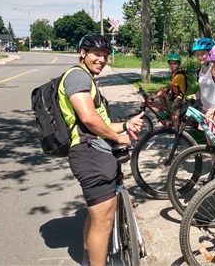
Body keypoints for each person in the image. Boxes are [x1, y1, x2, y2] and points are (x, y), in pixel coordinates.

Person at [62, 33, 145, 266]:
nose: (102, 59)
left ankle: (90, 257)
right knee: (104, 220)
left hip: (93, 150)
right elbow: (89, 119)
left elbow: (99, 123)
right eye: (97, 54)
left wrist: (125, 125)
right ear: (83, 53)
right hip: (90, 154)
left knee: (96, 213)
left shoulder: (86, 78)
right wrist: (117, 136)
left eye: (106, 56)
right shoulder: (78, 77)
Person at [191, 38, 215, 143]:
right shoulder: (201, 71)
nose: (200, 56)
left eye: (203, 53)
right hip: (206, 112)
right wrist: (192, 97)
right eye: (197, 54)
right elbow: (202, 91)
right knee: (211, 148)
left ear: (210, 53)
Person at [148, 53, 187, 126]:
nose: (172, 65)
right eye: (171, 63)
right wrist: (170, 91)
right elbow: (173, 85)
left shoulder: (179, 75)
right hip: (174, 94)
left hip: (179, 98)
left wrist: (154, 96)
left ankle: (177, 132)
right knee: (160, 93)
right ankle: (164, 111)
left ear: (179, 64)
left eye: (175, 63)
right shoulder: (174, 73)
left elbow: (167, 87)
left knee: (174, 116)